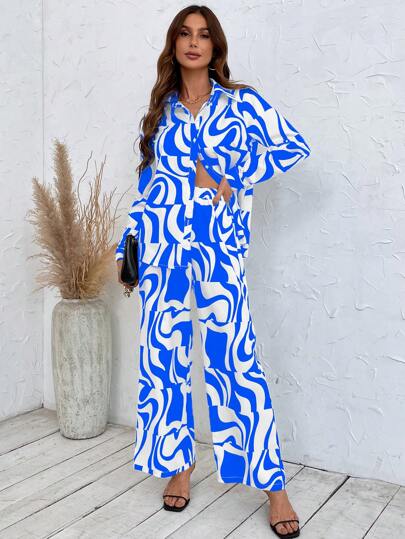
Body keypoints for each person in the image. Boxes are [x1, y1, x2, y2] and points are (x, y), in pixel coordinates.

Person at [116, 5, 311, 538]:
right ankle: (178, 465)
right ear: (174, 44)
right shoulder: (162, 112)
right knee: (164, 365)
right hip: (162, 253)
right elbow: (148, 188)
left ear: (215, 46)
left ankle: (274, 486)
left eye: (203, 35)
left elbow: (293, 146)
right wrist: (126, 250)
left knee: (236, 365)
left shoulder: (240, 104)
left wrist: (231, 174)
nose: (193, 42)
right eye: (184, 33)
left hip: (219, 253)